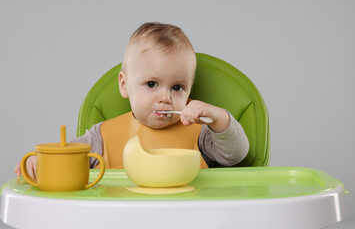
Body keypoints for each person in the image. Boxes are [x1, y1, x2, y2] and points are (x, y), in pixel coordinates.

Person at [15, 22, 249, 179]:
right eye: (151, 84)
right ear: (124, 85)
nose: (165, 98)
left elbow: (236, 155)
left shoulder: (199, 131)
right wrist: (42, 163)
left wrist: (218, 118)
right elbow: (69, 159)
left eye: (177, 87)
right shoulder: (102, 136)